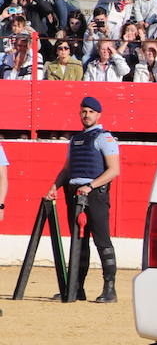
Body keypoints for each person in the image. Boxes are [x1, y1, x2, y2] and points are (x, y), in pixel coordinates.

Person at [44, 96, 119, 302]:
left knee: (102, 240)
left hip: (94, 193)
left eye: (91, 112)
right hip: (74, 192)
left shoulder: (105, 138)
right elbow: (68, 169)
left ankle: (109, 290)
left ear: (98, 115)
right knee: (79, 241)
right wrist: (55, 186)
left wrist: (91, 185)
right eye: (84, 111)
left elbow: (114, 170)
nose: (86, 115)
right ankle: (76, 288)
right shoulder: (75, 139)